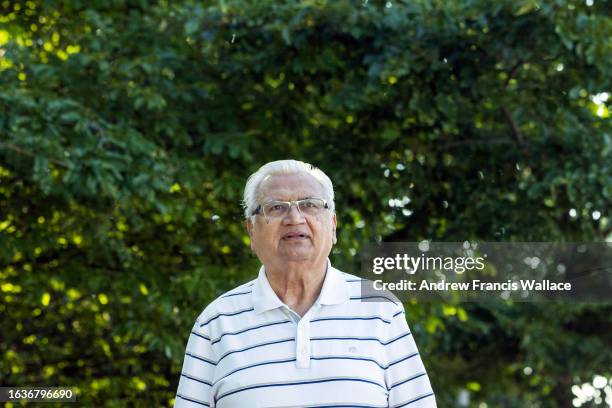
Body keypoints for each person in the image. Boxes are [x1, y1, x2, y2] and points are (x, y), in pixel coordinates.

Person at [174, 159, 436, 407]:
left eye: (310, 204)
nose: (295, 218)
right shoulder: (216, 322)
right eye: (276, 207)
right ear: (251, 231)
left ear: (332, 226)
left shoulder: (380, 307)